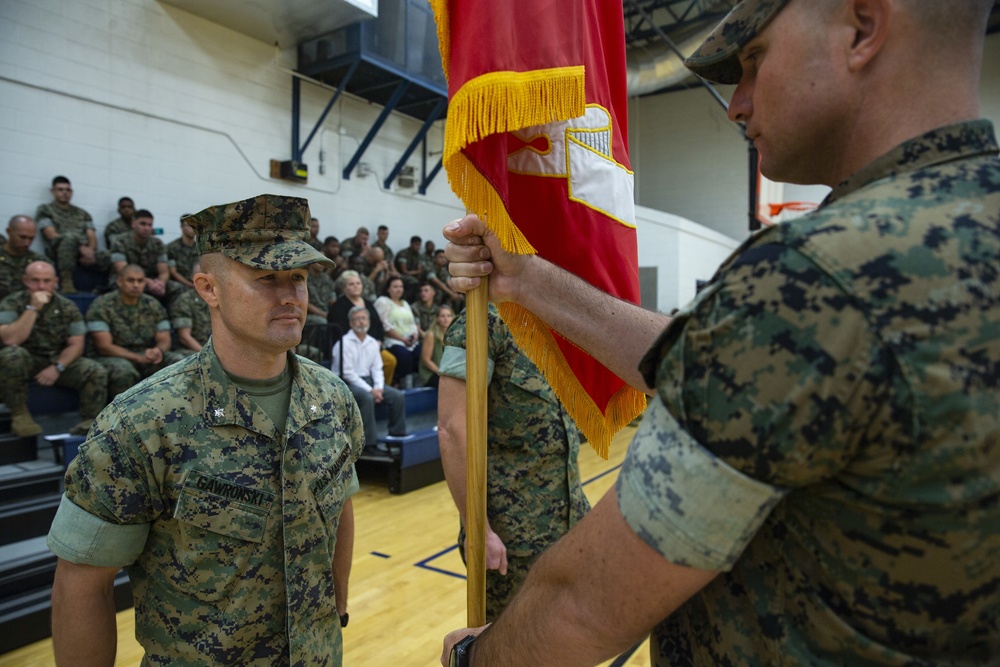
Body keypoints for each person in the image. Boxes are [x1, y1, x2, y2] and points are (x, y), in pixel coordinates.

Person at [439, 1, 1000, 665]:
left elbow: (586, 603)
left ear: (863, 27)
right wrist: (530, 280)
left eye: (754, 59)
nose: (737, 103)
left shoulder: (815, 275)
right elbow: (708, 361)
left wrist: (474, 659)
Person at [47, 193, 364, 665]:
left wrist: (336, 608)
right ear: (208, 289)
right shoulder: (141, 423)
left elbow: (340, 507)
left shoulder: (331, 399)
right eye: (266, 278)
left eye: (297, 278)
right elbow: (81, 583)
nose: (290, 296)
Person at [438, 305, 589, 621]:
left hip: (569, 525)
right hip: (514, 541)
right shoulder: (482, 325)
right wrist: (478, 529)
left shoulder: (552, 323)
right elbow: (452, 429)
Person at [0, 261, 108, 436]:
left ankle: (90, 421)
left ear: (55, 281)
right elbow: (11, 339)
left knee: (94, 370)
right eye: (35, 280)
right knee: (11, 355)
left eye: (46, 280)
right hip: (26, 360)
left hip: (56, 360)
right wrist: (33, 308)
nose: (41, 286)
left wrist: (58, 367)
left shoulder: (67, 307)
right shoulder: (11, 303)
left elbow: (76, 344)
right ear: (25, 281)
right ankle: (20, 415)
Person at [86, 263, 184, 398]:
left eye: (140, 281)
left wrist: (158, 351)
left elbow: (164, 338)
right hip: (112, 356)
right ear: (120, 282)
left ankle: (172, 410)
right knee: (124, 371)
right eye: (130, 280)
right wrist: (138, 357)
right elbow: (104, 347)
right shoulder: (102, 305)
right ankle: (120, 415)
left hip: (144, 354)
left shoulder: (153, 305)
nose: (136, 285)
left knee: (177, 361)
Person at [332, 306, 406, 449]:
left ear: (369, 321)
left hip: (369, 382)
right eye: (357, 319)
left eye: (364, 318)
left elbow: (377, 368)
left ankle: (397, 436)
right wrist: (371, 390)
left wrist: (378, 387)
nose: (361, 322)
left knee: (398, 396)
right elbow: (347, 374)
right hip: (345, 383)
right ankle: (368, 444)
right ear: (350, 322)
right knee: (367, 398)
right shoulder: (344, 343)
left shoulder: (372, 342)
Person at [35, 175, 103, 293]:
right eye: (60, 190)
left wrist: (90, 250)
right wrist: (80, 247)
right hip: (58, 249)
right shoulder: (45, 210)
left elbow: (91, 235)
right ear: (53, 191)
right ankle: (67, 282)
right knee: (69, 238)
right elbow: (50, 234)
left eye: (68, 190)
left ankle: (105, 287)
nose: (64, 193)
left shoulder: (82, 213)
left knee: (107, 255)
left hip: (84, 253)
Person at [329, 269, 397, 386]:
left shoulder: (368, 303)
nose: (356, 286)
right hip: (352, 346)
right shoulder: (338, 307)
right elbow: (342, 330)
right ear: (344, 288)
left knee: (390, 361)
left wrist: (379, 341)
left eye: (358, 283)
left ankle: (381, 389)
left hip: (373, 345)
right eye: (351, 284)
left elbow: (378, 325)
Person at [110, 209, 182, 303]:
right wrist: (148, 282)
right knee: (133, 286)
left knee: (177, 288)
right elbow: (122, 270)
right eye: (142, 224)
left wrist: (161, 284)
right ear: (133, 224)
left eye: (150, 225)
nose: (146, 228)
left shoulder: (158, 244)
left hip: (152, 280)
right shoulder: (120, 241)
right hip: (127, 279)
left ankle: (173, 315)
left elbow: (163, 272)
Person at [374, 275, 421, 384]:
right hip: (393, 340)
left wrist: (415, 335)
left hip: (409, 340)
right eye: (395, 287)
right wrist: (401, 339)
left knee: (420, 352)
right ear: (388, 289)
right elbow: (383, 324)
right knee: (404, 355)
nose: (399, 289)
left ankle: (417, 386)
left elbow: (412, 323)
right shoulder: (383, 301)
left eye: (401, 286)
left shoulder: (405, 303)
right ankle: (404, 385)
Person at [0, 215, 47, 301]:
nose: (27, 243)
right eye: (22, 237)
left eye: (31, 238)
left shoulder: (38, 262)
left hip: (26, 309)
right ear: (9, 231)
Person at [169, 261, 211, 355]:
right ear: (193, 278)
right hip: (192, 351)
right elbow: (185, 337)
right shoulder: (184, 301)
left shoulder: (221, 299)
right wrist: (207, 355)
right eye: (200, 278)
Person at [419, 304, 453, 388]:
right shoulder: (431, 335)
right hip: (432, 373)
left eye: (449, 316)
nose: (446, 319)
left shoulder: (452, 335)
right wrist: (441, 373)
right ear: (437, 319)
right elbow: (426, 360)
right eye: (442, 316)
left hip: (447, 372)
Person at [166, 214, 198, 289]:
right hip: (179, 282)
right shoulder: (172, 248)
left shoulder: (199, 248)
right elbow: (173, 272)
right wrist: (189, 284)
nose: (192, 229)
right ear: (182, 227)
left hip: (196, 281)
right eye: (189, 226)